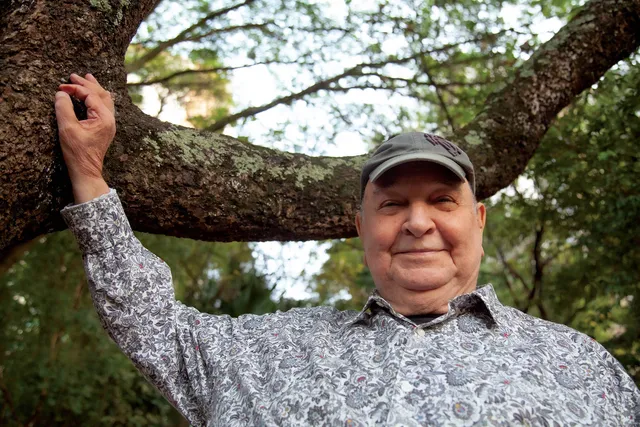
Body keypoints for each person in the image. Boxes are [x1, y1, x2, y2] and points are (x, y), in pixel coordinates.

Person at [55, 74, 639, 426]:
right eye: (390, 205)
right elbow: (153, 326)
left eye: (442, 200)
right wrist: (87, 171)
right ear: (360, 226)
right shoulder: (268, 356)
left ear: (478, 220)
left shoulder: (584, 369)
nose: (417, 223)